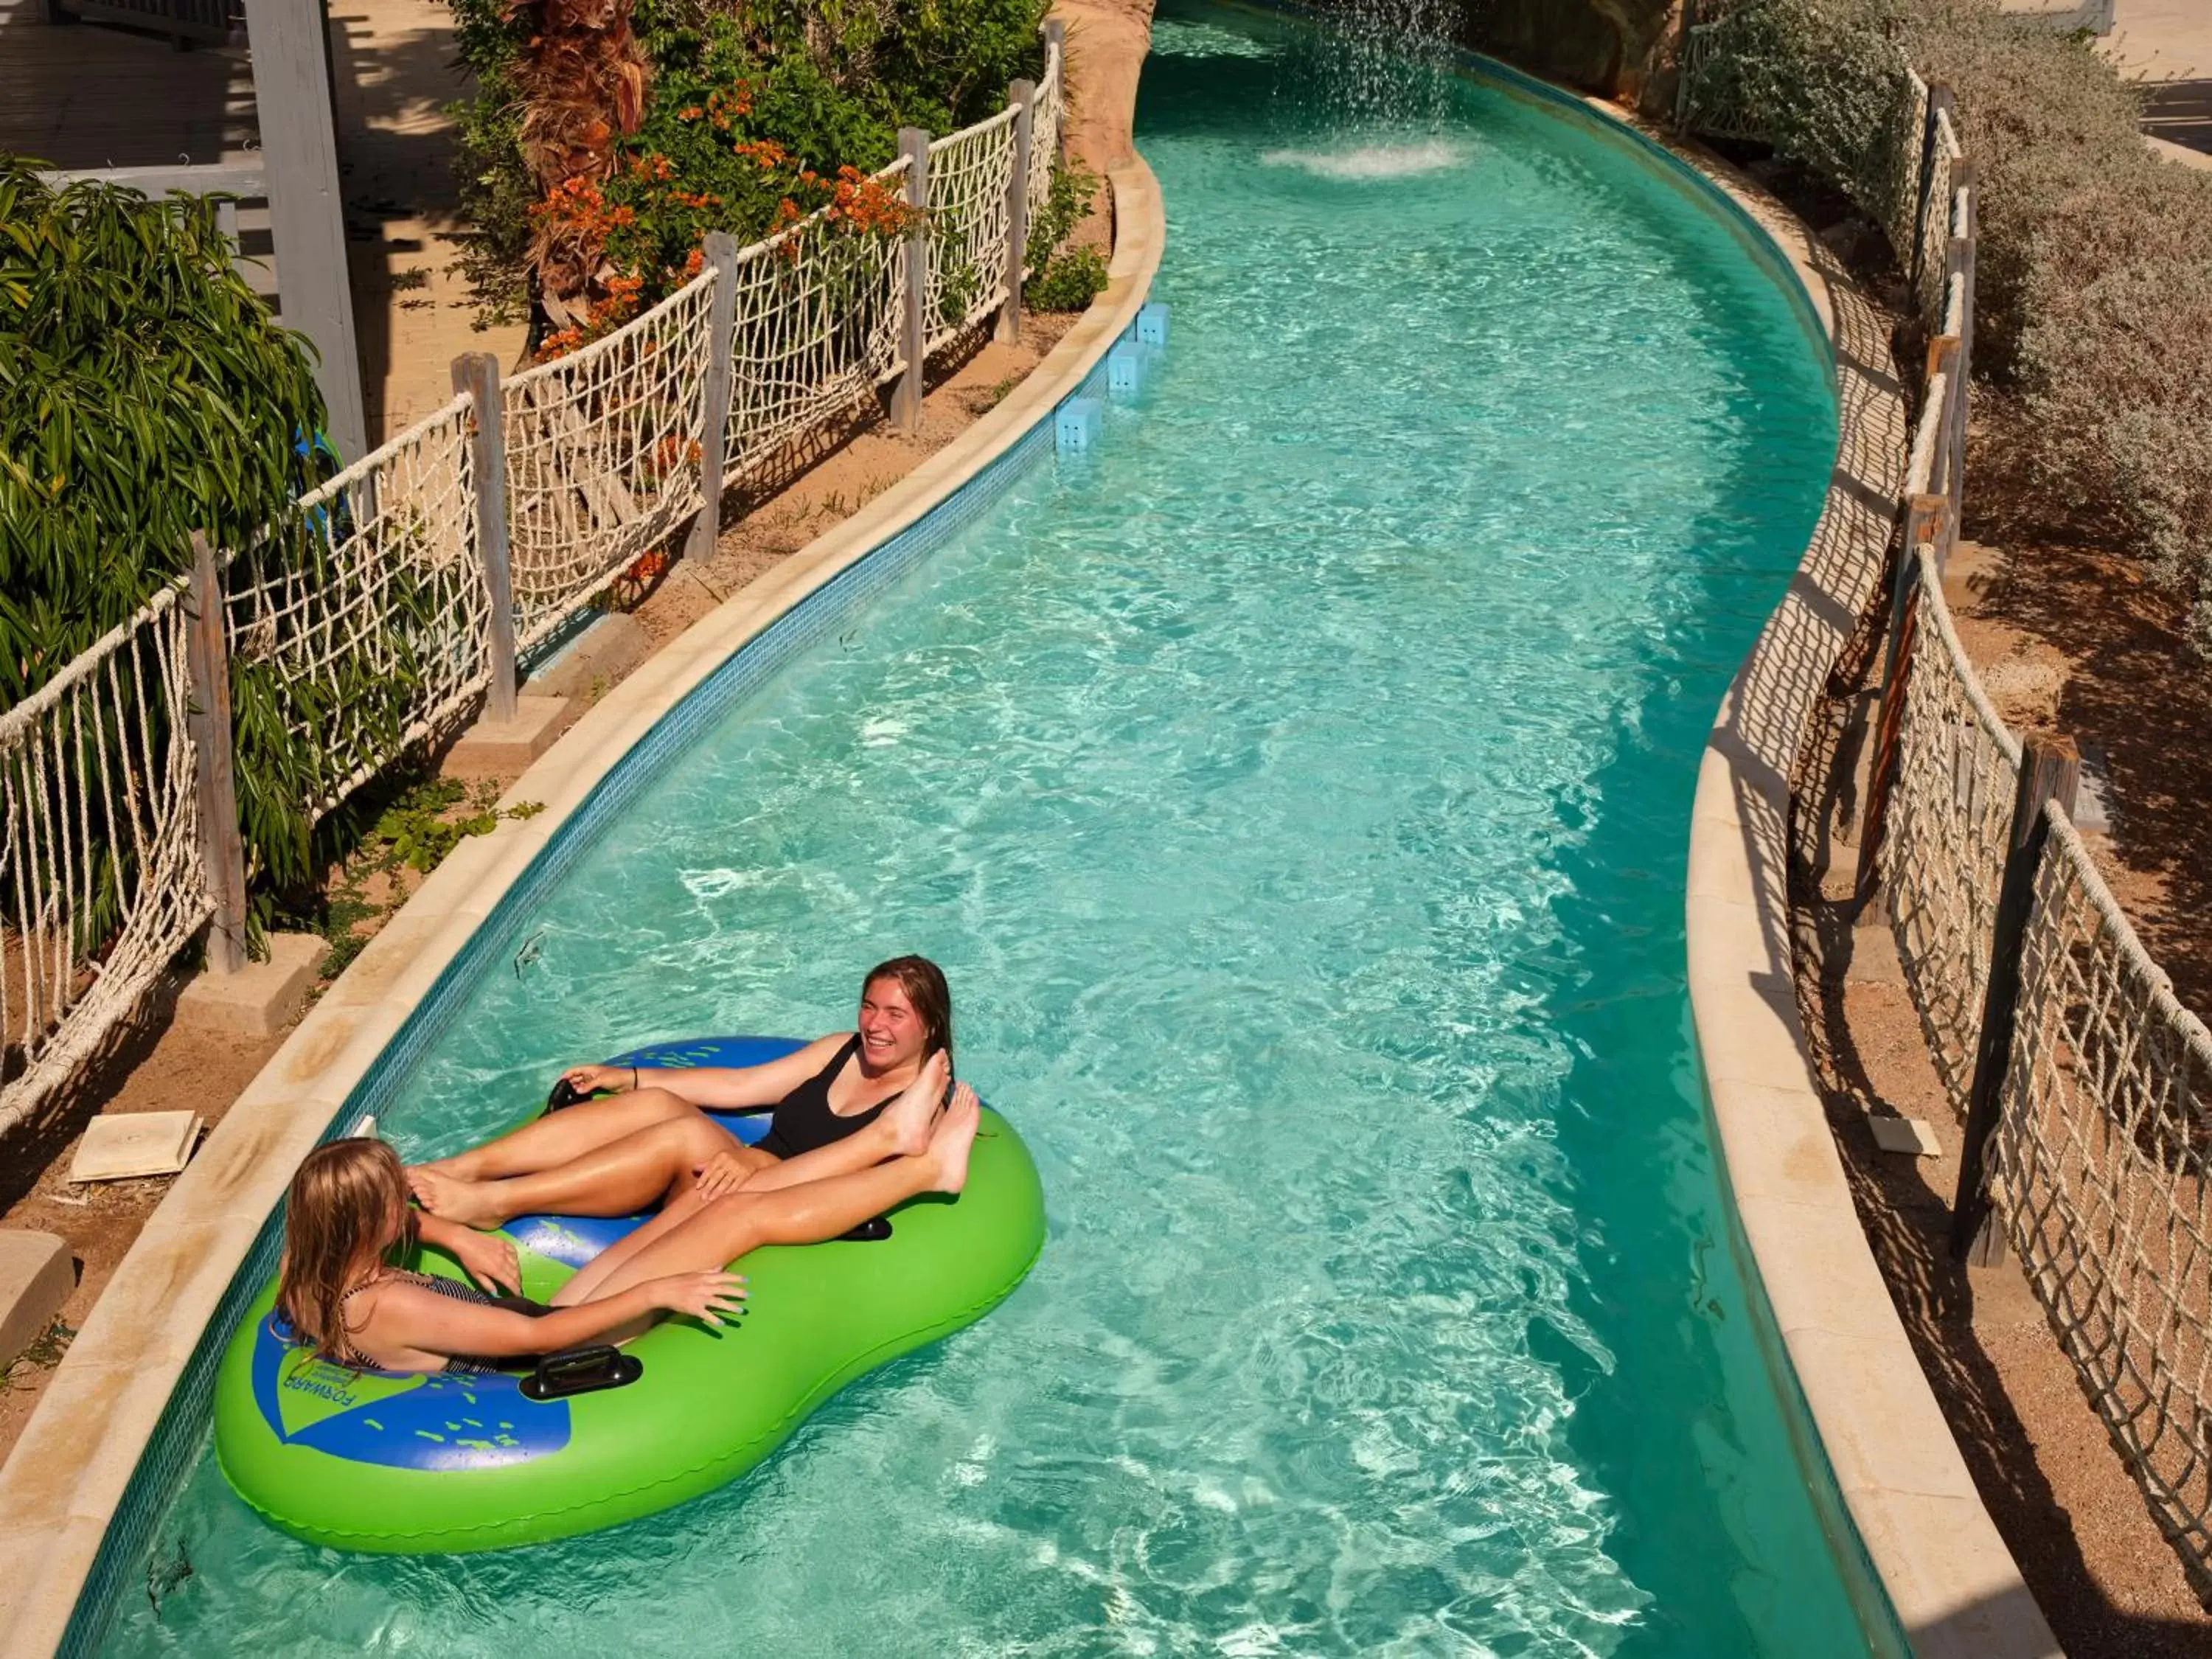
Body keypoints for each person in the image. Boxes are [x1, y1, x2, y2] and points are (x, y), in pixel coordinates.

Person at [278, 1091, 980, 1374]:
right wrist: (665, 1290)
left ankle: (887, 1138)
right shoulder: (385, 1304)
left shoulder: (309, 1282)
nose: (408, 1199)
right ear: (366, 1222)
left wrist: (450, 1233)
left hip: (545, 1315)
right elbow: (535, 1340)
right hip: (566, 1343)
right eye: (396, 1198)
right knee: (740, 1216)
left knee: (705, 1197)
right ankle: (925, 1172)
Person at [406, 955, 955, 1233]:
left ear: (929, 1025)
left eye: (895, 1014)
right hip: (742, 1167)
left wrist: (761, 1174)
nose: (875, 1024)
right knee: (657, 1107)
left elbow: (867, 1180)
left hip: (785, 1201)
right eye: (869, 1006)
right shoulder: (841, 1050)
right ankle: (462, 1166)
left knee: (683, 1134)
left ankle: (499, 1203)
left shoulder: (922, 1103)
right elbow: (740, 1085)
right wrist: (632, 1077)